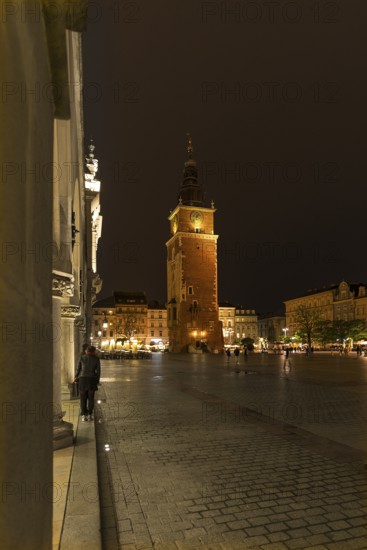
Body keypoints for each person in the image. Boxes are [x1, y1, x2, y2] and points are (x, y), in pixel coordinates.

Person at [74, 345, 100, 422]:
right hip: (92, 379)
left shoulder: (82, 357)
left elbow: (78, 369)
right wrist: (97, 380)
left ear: (86, 351)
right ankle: (90, 415)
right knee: (91, 398)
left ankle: (84, 415)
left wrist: (76, 376)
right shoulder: (96, 359)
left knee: (83, 398)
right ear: (94, 351)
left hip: (82, 379)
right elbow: (98, 371)